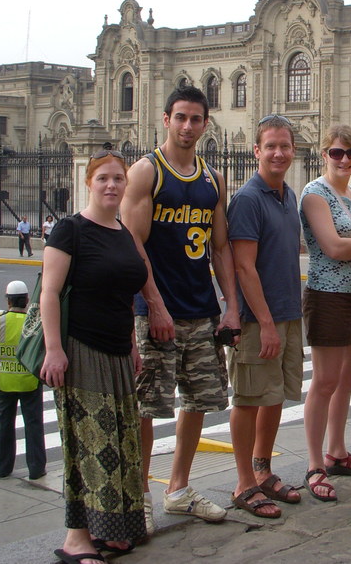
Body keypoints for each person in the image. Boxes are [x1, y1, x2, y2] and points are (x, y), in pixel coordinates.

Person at [121, 86, 238, 532]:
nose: (188, 126)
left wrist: (230, 307)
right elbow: (134, 244)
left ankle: (179, 489)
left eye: (196, 119)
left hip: (200, 310)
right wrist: (153, 305)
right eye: (181, 117)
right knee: (148, 406)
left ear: (206, 124)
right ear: (166, 119)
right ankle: (140, 497)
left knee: (198, 401)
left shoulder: (213, 179)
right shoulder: (147, 172)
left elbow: (221, 248)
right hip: (154, 311)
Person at [40, 147, 148, 560]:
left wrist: (134, 346)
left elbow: (124, 293)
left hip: (119, 352)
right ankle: (76, 538)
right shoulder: (71, 230)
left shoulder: (123, 232)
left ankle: (112, 529)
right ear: (88, 182)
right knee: (87, 444)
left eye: (118, 179)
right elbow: (49, 292)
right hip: (81, 350)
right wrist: (54, 349)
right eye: (102, 178)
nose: (111, 185)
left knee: (118, 444)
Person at [226, 115, 304, 519]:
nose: (278, 153)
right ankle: (243, 483)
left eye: (285, 146)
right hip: (260, 322)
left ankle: (263, 472)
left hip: (288, 313)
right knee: (250, 398)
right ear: (256, 151)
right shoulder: (248, 199)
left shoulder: (287, 195)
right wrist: (267, 323)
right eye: (270, 146)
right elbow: (244, 268)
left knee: (274, 397)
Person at [299, 125, 351, 504]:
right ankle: (315, 463)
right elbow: (332, 247)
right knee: (325, 381)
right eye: (336, 152)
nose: (344, 159)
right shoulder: (314, 194)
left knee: (348, 380)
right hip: (328, 294)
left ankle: (338, 451)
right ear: (323, 154)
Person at [0, 280, 46, 480]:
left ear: (8, 301)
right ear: (27, 300)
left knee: (4, 424)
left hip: (5, 381)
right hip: (30, 381)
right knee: (34, 424)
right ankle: (36, 469)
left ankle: (3, 468)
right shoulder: (34, 320)